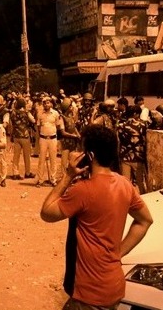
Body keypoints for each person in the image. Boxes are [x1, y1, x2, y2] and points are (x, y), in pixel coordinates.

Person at [40, 124, 153, 309]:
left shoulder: (83, 190)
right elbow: (145, 220)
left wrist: (68, 175)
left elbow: (46, 213)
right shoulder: (125, 185)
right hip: (114, 286)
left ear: (90, 156)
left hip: (88, 292)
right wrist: (118, 253)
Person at [117, 105, 149, 194]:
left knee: (125, 181)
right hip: (138, 157)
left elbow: (118, 141)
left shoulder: (121, 125)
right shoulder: (142, 126)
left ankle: (126, 199)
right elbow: (145, 141)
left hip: (124, 156)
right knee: (140, 181)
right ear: (135, 114)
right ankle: (143, 199)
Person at [35, 96, 61, 188]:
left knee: (53, 160)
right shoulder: (40, 114)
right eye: (44, 103)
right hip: (43, 139)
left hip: (53, 139)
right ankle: (40, 180)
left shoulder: (55, 113)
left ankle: (53, 180)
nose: (46, 104)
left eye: (48, 103)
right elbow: (38, 126)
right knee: (41, 160)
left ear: (51, 104)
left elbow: (58, 125)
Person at [9, 97, 36, 180]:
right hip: (25, 135)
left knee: (16, 156)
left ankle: (15, 173)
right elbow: (33, 121)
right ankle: (27, 172)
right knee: (27, 156)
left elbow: (11, 125)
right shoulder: (26, 113)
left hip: (16, 136)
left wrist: (11, 135)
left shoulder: (13, 113)